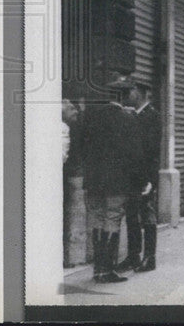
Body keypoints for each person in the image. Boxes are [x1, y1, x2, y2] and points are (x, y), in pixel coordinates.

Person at [79, 73, 141, 283]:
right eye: (132, 91)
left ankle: (98, 270)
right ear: (124, 95)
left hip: (94, 180)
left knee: (96, 220)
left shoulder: (92, 115)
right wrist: (140, 182)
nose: (134, 94)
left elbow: (83, 146)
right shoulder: (128, 118)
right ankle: (108, 270)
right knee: (112, 219)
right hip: (116, 182)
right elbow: (134, 155)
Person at [116, 81, 161, 273]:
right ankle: (133, 256)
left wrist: (150, 180)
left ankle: (149, 258)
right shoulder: (133, 115)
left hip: (146, 176)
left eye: (131, 92)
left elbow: (151, 151)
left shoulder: (152, 116)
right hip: (132, 175)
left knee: (147, 216)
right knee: (132, 216)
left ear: (141, 93)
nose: (127, 95)